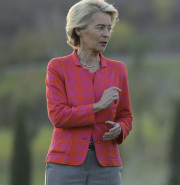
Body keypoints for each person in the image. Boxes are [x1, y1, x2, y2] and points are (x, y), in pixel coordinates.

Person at [44, 0, 133, 184]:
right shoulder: (58, 67)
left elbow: (125, 116)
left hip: (107, 166)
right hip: (65, 164)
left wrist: (120, 128)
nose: (106, 34)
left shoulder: (118, 70)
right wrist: (97, 106)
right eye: (100, 27)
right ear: (79, 29)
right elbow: (58, 116)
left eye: (109, 28)